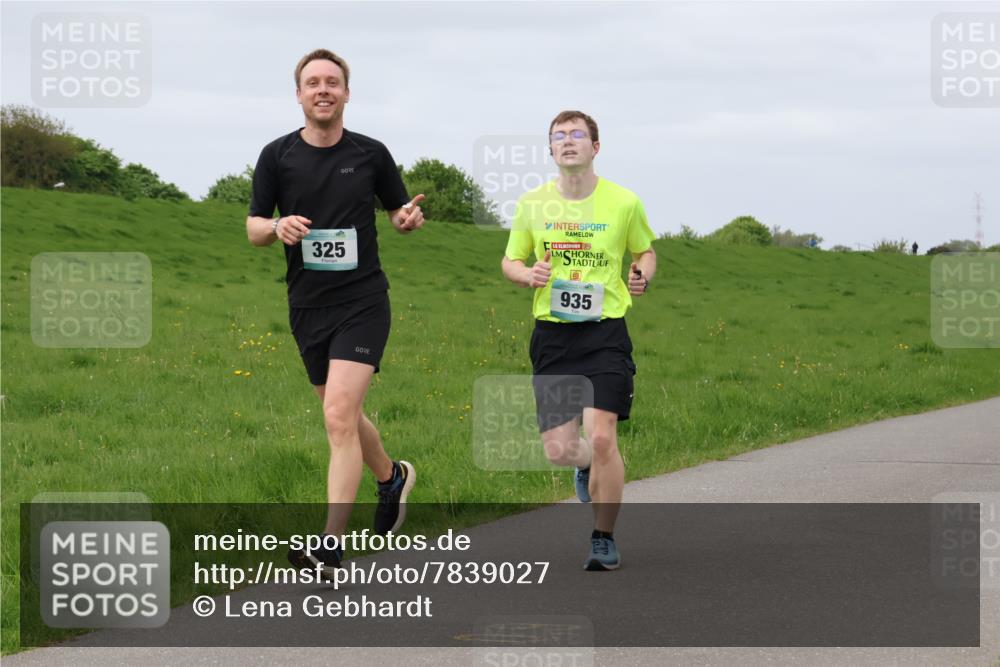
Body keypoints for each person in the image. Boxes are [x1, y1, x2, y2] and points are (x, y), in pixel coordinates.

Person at [245, 49, 424, 574]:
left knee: (338, 418)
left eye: (332, 82)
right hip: (306, 306)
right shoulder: (276, 156)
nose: (322, 89)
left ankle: (329, 546)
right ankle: (391, 477)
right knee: (343, 416)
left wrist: (407, 220)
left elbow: (398, 213)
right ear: (299, 95)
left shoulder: (371, 154)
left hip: (363, 301)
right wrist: (276, 228)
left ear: (347, 93)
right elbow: (254, 226)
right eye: (312, 83)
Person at [501, 110, 656, 571]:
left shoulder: (623, 203)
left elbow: (644, 251)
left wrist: (640, 275)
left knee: (603, 436)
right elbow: (510, 261)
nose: (567, 142)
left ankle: (603, 537)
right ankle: (584, 465)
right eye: (558, 137)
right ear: (551, 150)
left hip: (605, 332)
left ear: (595, 146)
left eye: (577, 135)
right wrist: (528, 274)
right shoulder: (532, 204)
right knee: (559, 449)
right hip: (553, 335)